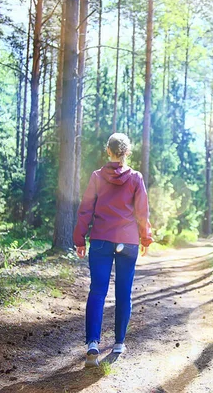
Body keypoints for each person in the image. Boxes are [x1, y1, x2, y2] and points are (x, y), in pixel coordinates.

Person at [73, 133, 153, 367]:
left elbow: (85, 210)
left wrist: (79, 239)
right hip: (127, 243)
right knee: (123, 293)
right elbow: (142, 212)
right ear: (127, 152)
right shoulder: (136, 178)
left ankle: (92, 345)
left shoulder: (97, 177)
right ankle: (118, 343)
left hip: (100, 240)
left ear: (108, 151)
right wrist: (145, 238)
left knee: (97, 292)